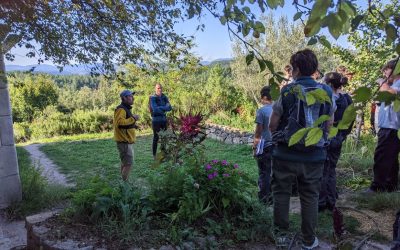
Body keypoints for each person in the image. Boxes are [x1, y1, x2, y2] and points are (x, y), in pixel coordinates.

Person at [269, 49, 335, 249]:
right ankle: (309, 240)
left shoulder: (288, 91)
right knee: (310, 196)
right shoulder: (326, 92)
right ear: (315, 69)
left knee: (281, 193)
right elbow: (329, 124)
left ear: (295, 69)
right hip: (314, 156)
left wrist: (279, 137)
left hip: (285, 155)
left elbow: (273, 122)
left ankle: (281, 237)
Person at [319, 72, 353, 211]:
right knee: (331, 168)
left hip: (326, 136)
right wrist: (343, 135)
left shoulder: (326, 98)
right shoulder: (346, 98)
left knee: (322, 169)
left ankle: (321, 202)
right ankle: (331, 199)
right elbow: (350, 119)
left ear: (329, 84)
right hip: (338, 136)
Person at [367, 59, 400, 193]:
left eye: (386, 69)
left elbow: (389, 93)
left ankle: (377, 187)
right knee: (391, 159)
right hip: (389, 126)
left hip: (391, 127)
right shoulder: (394, 84)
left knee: (381, 156)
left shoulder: (397, 83)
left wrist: (381, 82)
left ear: (395, 70)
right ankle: (390, 185)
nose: (384, 72)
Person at [252, 86, 274, 204]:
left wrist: (255, 146)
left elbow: (258, 132)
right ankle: (273, 196)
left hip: (265, 146)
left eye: (261, 97)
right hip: (277, 144)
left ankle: (264, 198)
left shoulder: (262, 111)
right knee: (273, 171)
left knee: (264, 172)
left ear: (265, 97)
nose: (261, 100)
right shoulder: (279, 108)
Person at [114, 90, 140, 181]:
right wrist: (133, 118)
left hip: (125, 142)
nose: (133, 98)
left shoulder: (126, 108)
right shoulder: (121, 109)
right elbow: (120, 124)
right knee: (128, 164)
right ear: (124, 98)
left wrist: (133, 125)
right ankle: (125, 185)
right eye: (130, 96)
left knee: (125, 163)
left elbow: (125, 124)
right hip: (124, 142)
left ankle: (122, 183)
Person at [150, 83, 172, 159]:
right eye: (158, 88)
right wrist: (164, 108)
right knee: (156, 137)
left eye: (160, 88)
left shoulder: (164, 97)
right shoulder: (152, 98)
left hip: (163, 120)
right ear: (155, 89)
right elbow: (154, 109)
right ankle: (154, 155)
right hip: (156, 121)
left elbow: (170, 108)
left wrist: (160, 108)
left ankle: (163, 153)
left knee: (164, 137)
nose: (160, 89)